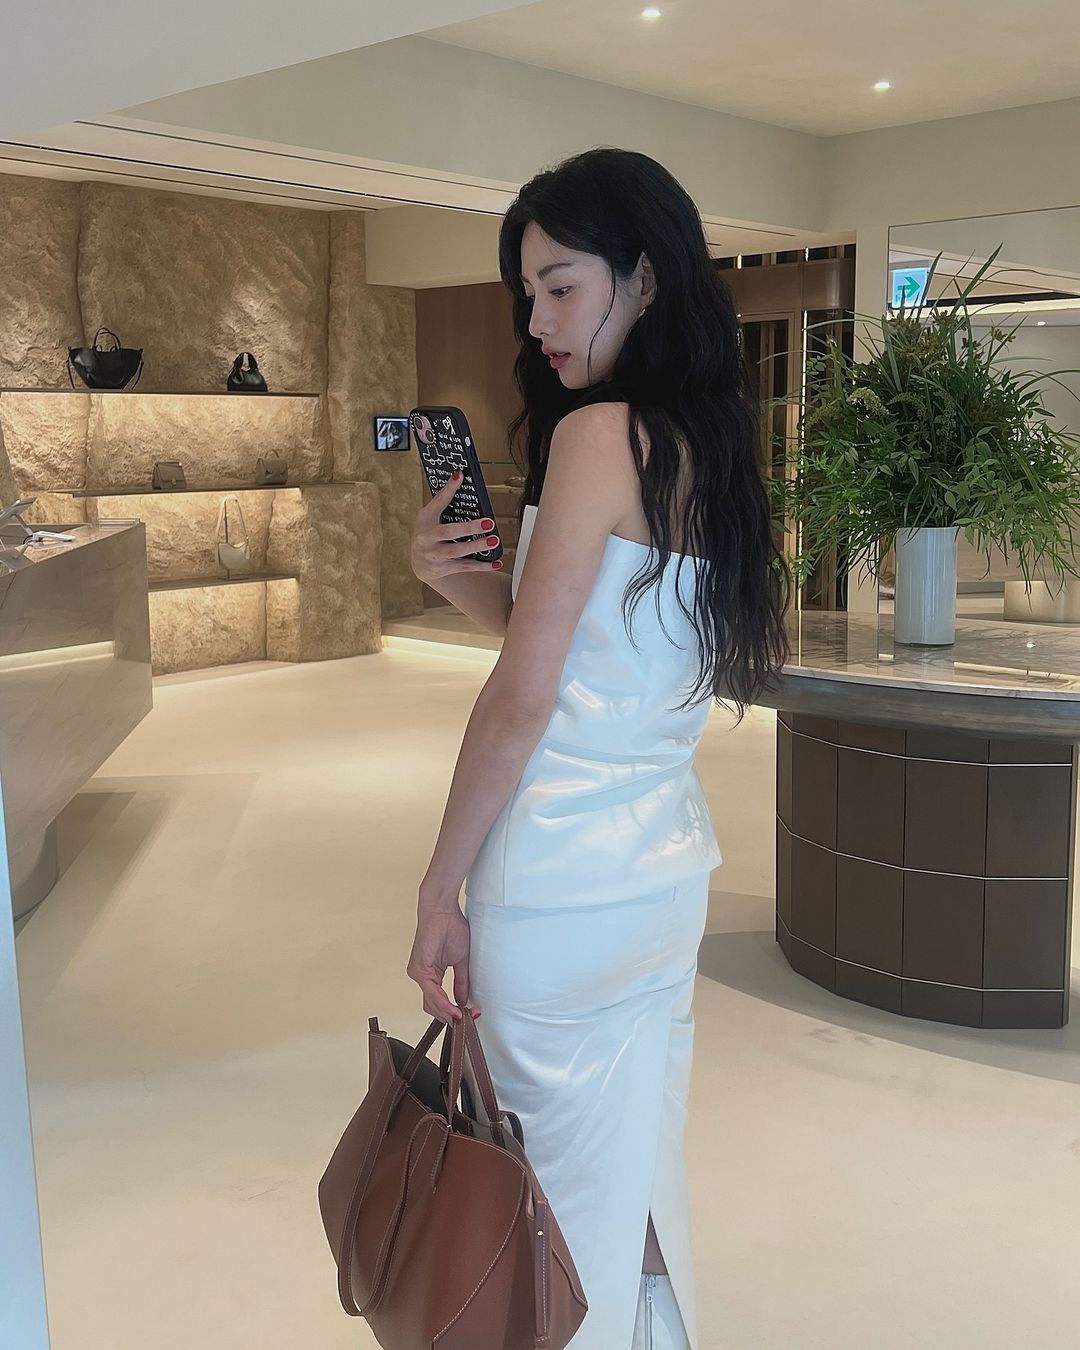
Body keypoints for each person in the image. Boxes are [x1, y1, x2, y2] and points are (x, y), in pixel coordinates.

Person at [406, 147, 791, 1349]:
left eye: (561, 286)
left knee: (551, 1213)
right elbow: (593, 657)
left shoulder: (596, 436)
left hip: (558, 884)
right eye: (528, 293)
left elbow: (525, 698)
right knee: (635, 1177)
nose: (538, 320)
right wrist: (461, 583)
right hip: (663, 872)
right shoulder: (710, 444)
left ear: (646, 276)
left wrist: (437, 887)